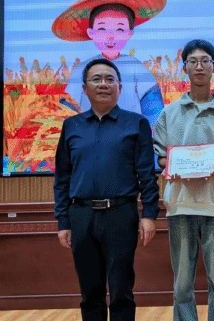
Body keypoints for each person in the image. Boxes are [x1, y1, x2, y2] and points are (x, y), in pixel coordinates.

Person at [53, 58, 160, 321]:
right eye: (96, 79)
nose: (103, 84)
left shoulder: (136, 124)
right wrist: (63, 221)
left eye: (110, 79)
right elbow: (62, 177)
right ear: (85, 88)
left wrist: (149, 215)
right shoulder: (71, 126)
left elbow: (147, 174)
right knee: (90, 293)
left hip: (121, 215)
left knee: (122, 291)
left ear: (119, 88)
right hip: (81, 216)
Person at [153, 39, 214, 321]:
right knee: (182, 284)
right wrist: (173, 167)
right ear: (185, 68)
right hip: (180, 204)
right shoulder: (169, 112)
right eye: (193, 61)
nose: (199, 66)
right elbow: (161, 158)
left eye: (205, 61)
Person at [52, 0, 166, 125]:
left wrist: (150, 133)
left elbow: (153, 105)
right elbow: (67, 108)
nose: (110, 36)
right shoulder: (82, 69)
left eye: (119, 29)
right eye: (102, 29)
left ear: (129, 34)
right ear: (91, 33)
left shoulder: (134, 66)